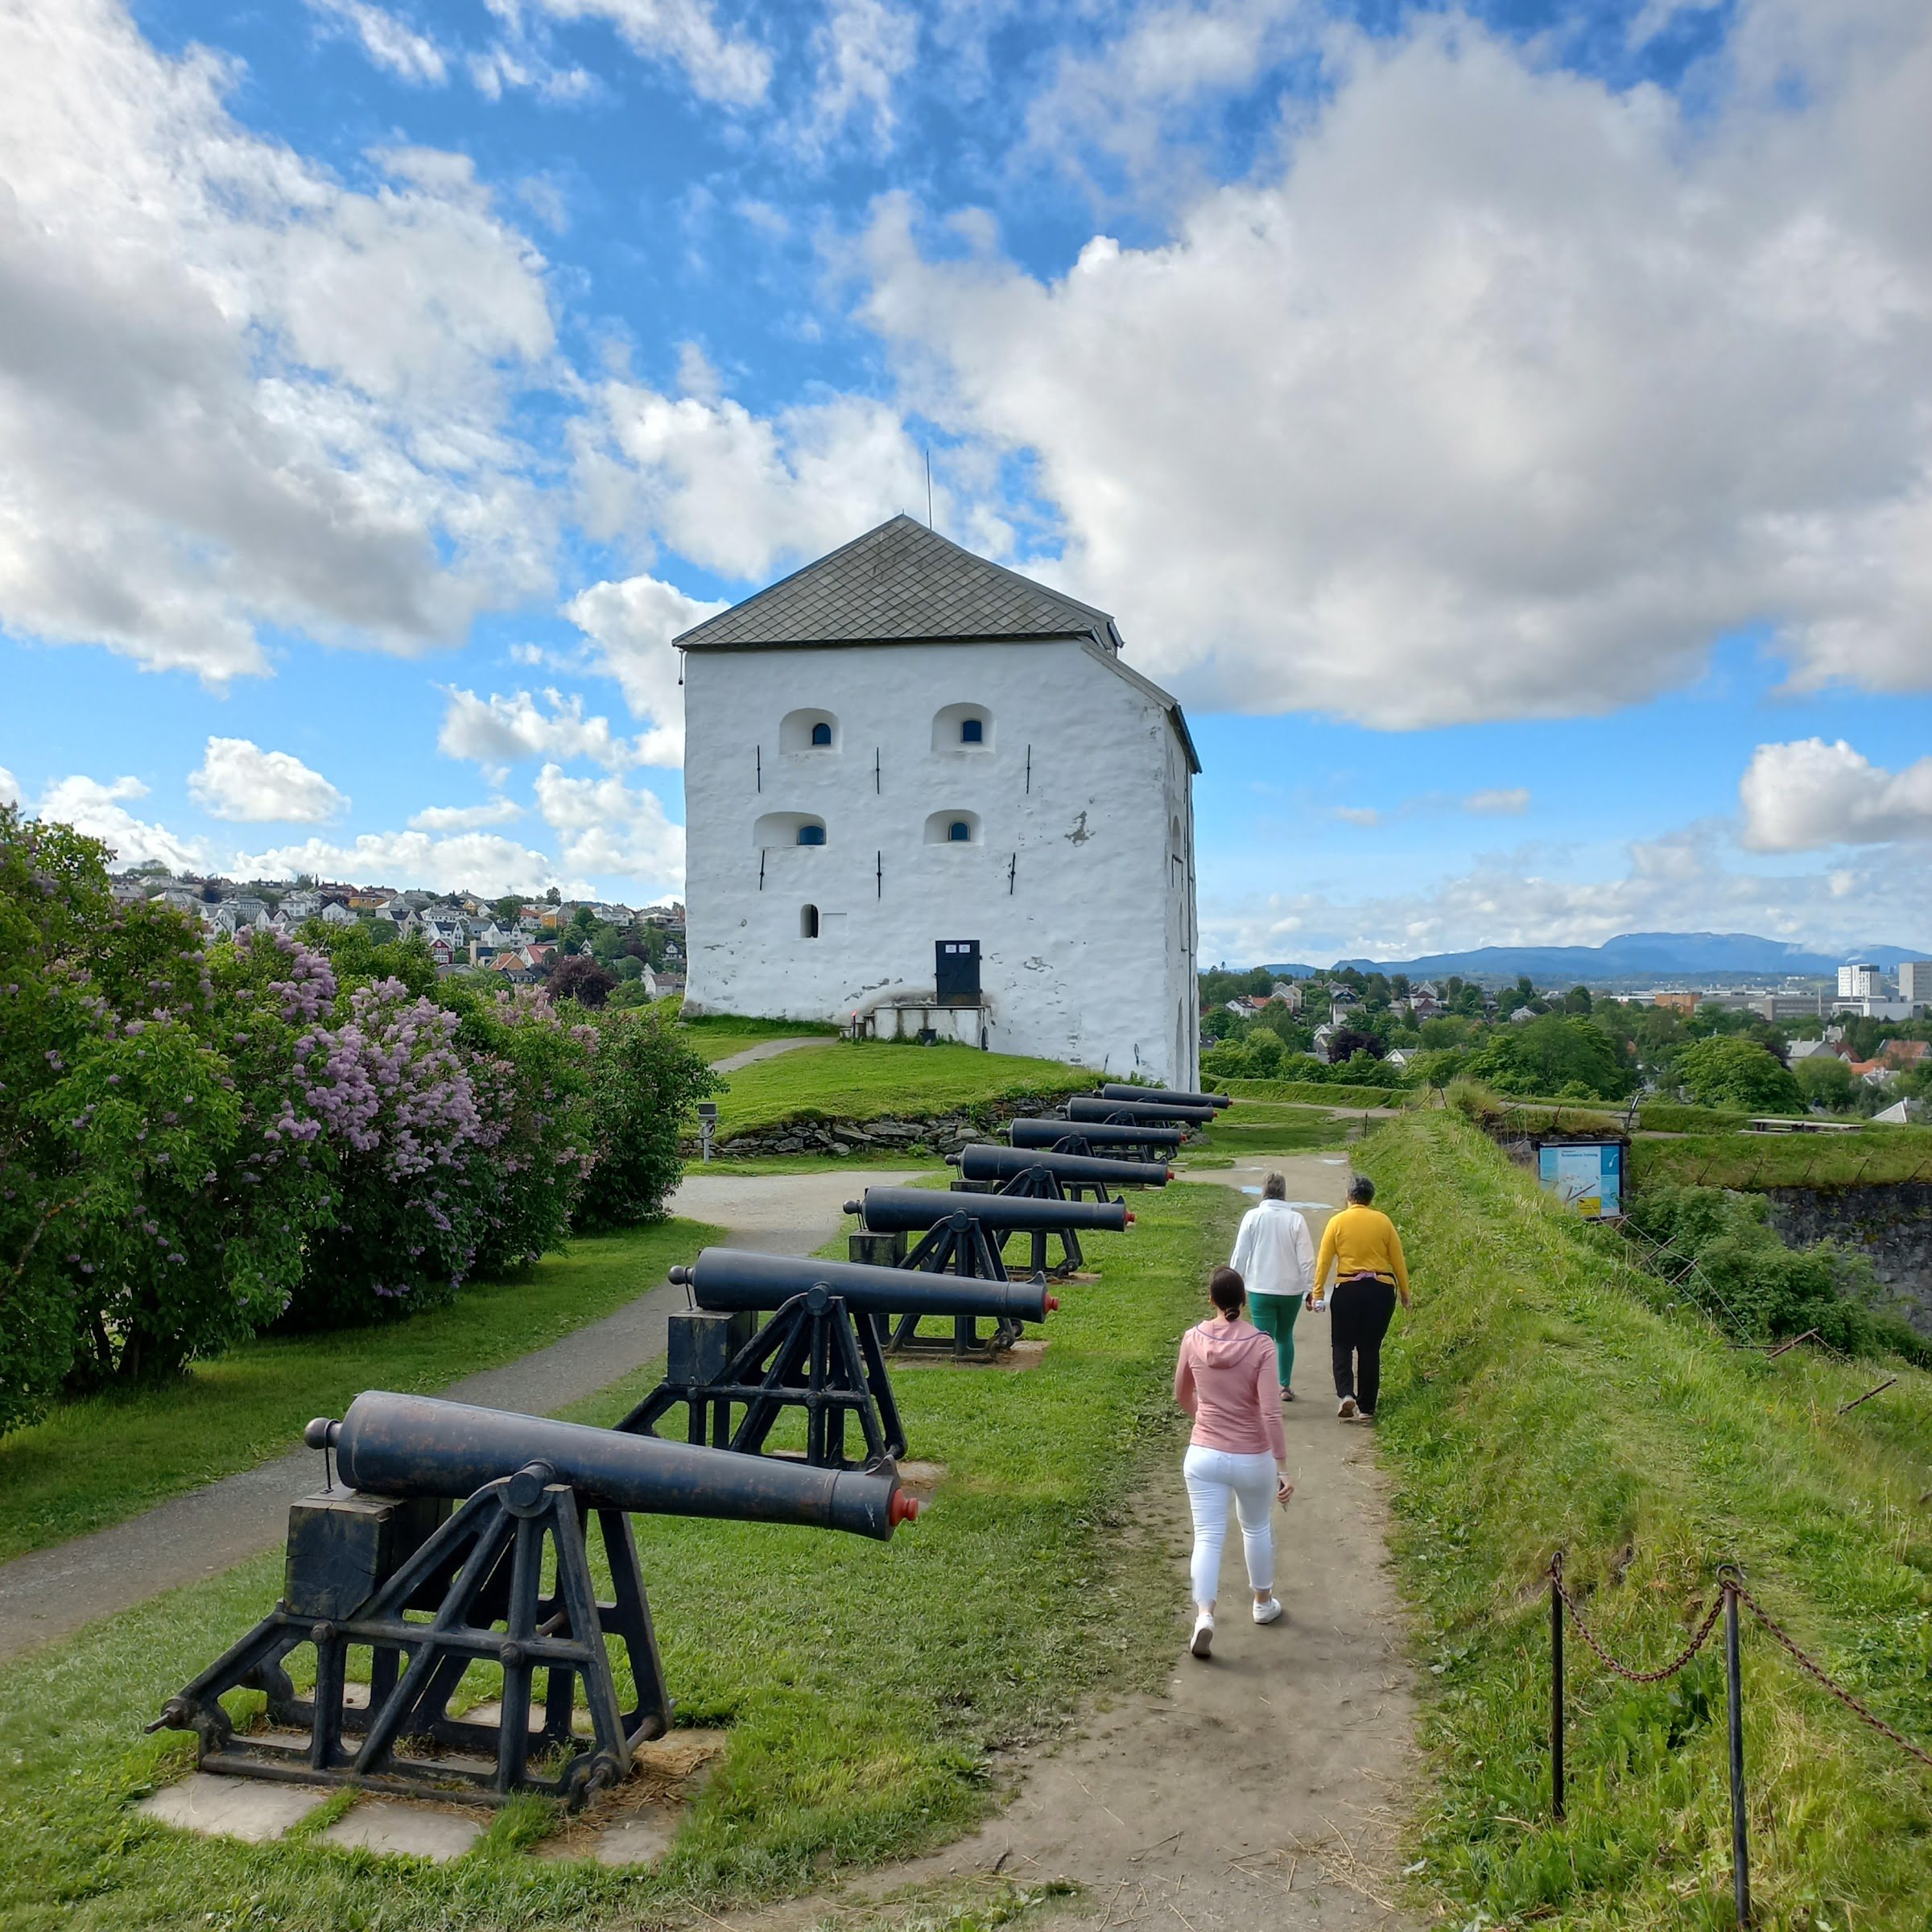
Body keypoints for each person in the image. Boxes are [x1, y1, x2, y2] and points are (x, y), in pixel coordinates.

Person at [1173, 1265, 1294, 1658]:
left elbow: (1181, 1394)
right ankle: (1262, 1603)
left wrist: (1207, 1423)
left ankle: (1204, 1616)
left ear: (1211, 1300)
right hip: (1252, 1454)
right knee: (1256, 1528)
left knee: (1207, 1536)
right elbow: (1271, 1413)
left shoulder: (1193, 1339)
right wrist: (1282, 1467)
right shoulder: (1261, 1345)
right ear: (1244, 1301)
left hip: (1204, 1453)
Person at [1310, 1174, 1410, 1422]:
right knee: (1370, 1348)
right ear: (1370, 1198)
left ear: (1349, 1197)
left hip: (1348, 1289)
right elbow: (1398, 1261)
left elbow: (1324, 1261)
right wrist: (1406, 1294)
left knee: (1342, 1345)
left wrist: (1318, 1292)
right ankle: (1367, 1408)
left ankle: (1346, 1394)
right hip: (1381, 1289)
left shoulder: (1337, 1222)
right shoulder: (1383, 1222)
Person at [1228, 1172, 1315, 1400]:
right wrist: (1310, 1289)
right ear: (1284, 1193)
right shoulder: (1296, 1220)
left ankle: (1262, 1387)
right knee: (1285, 1336)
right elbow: (1306, 1258)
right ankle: (1284, 1385)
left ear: (1264, 1191)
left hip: (1260, 1288)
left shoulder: (1252, 1217)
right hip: (1290, 1290)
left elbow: (1240, 1255)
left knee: (1262, 1339)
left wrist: (1235, 1284)